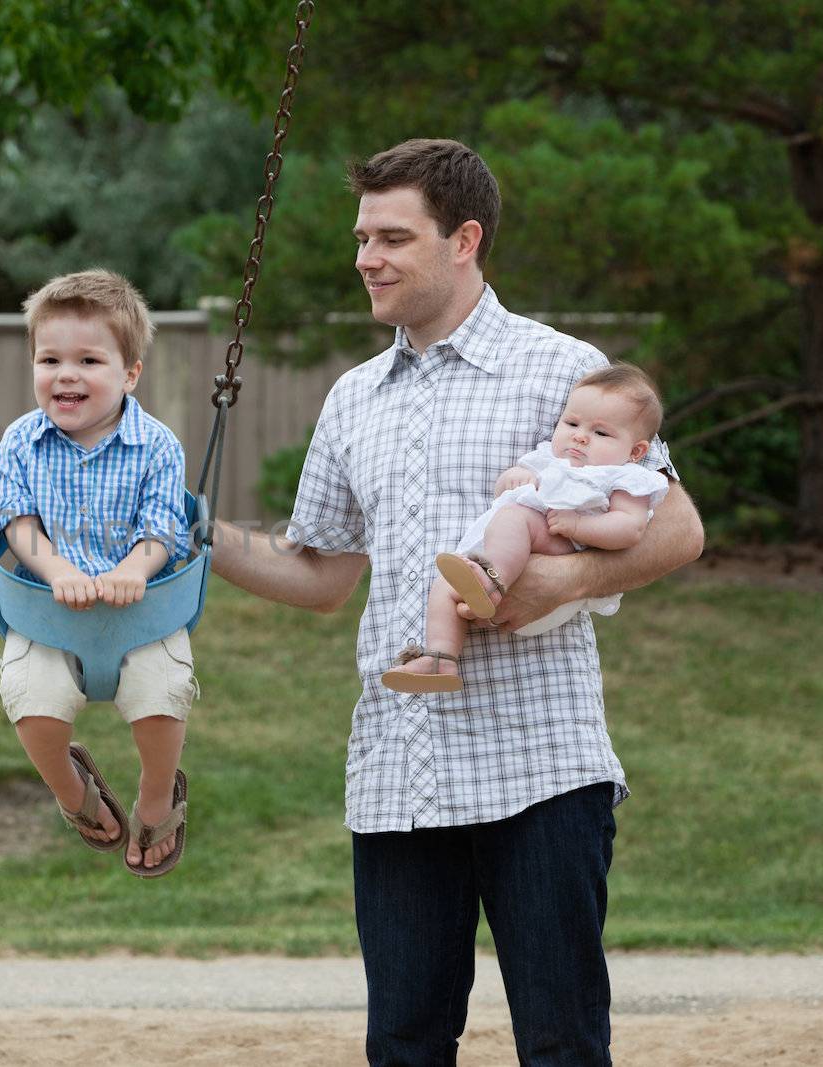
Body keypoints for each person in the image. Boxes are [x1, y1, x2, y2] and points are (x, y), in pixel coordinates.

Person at [209, 139, 704, 1065]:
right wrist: (202, 538)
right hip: (398, 773)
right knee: (401, 1045)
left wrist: (569, 578)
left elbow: (679, 526)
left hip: (540, 765)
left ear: (465, 239)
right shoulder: (354, 397)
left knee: (560, 1043)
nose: (367, 258)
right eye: (362, 237)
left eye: (394, 237)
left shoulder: (562, 367)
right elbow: (320, 573)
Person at [0, 269, 197, 878]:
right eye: (49, 359)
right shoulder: (21, 440)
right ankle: (72, 792)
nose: (66, 374)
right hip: (50, 610)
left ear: (130, 373)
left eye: (88, 359)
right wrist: (55, 569)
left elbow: (163, 526)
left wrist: (137, 567)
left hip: (141, 609)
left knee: (162, 694)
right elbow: (16, 519)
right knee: (32, 702)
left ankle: (157, 796)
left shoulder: (157, 445)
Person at [383, 362, 671, 693]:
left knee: (515, 518)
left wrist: (578, 525)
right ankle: (441, 658)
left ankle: (490, 584)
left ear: (635, 451)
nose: (579, 435)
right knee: (445, 584)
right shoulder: (547, 459)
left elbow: (629, 528)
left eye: (600, 432)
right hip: (514, 550)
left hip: (562, 552)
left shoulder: (625, 477)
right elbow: (507, 489)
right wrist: (513, 479)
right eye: (572, 422)